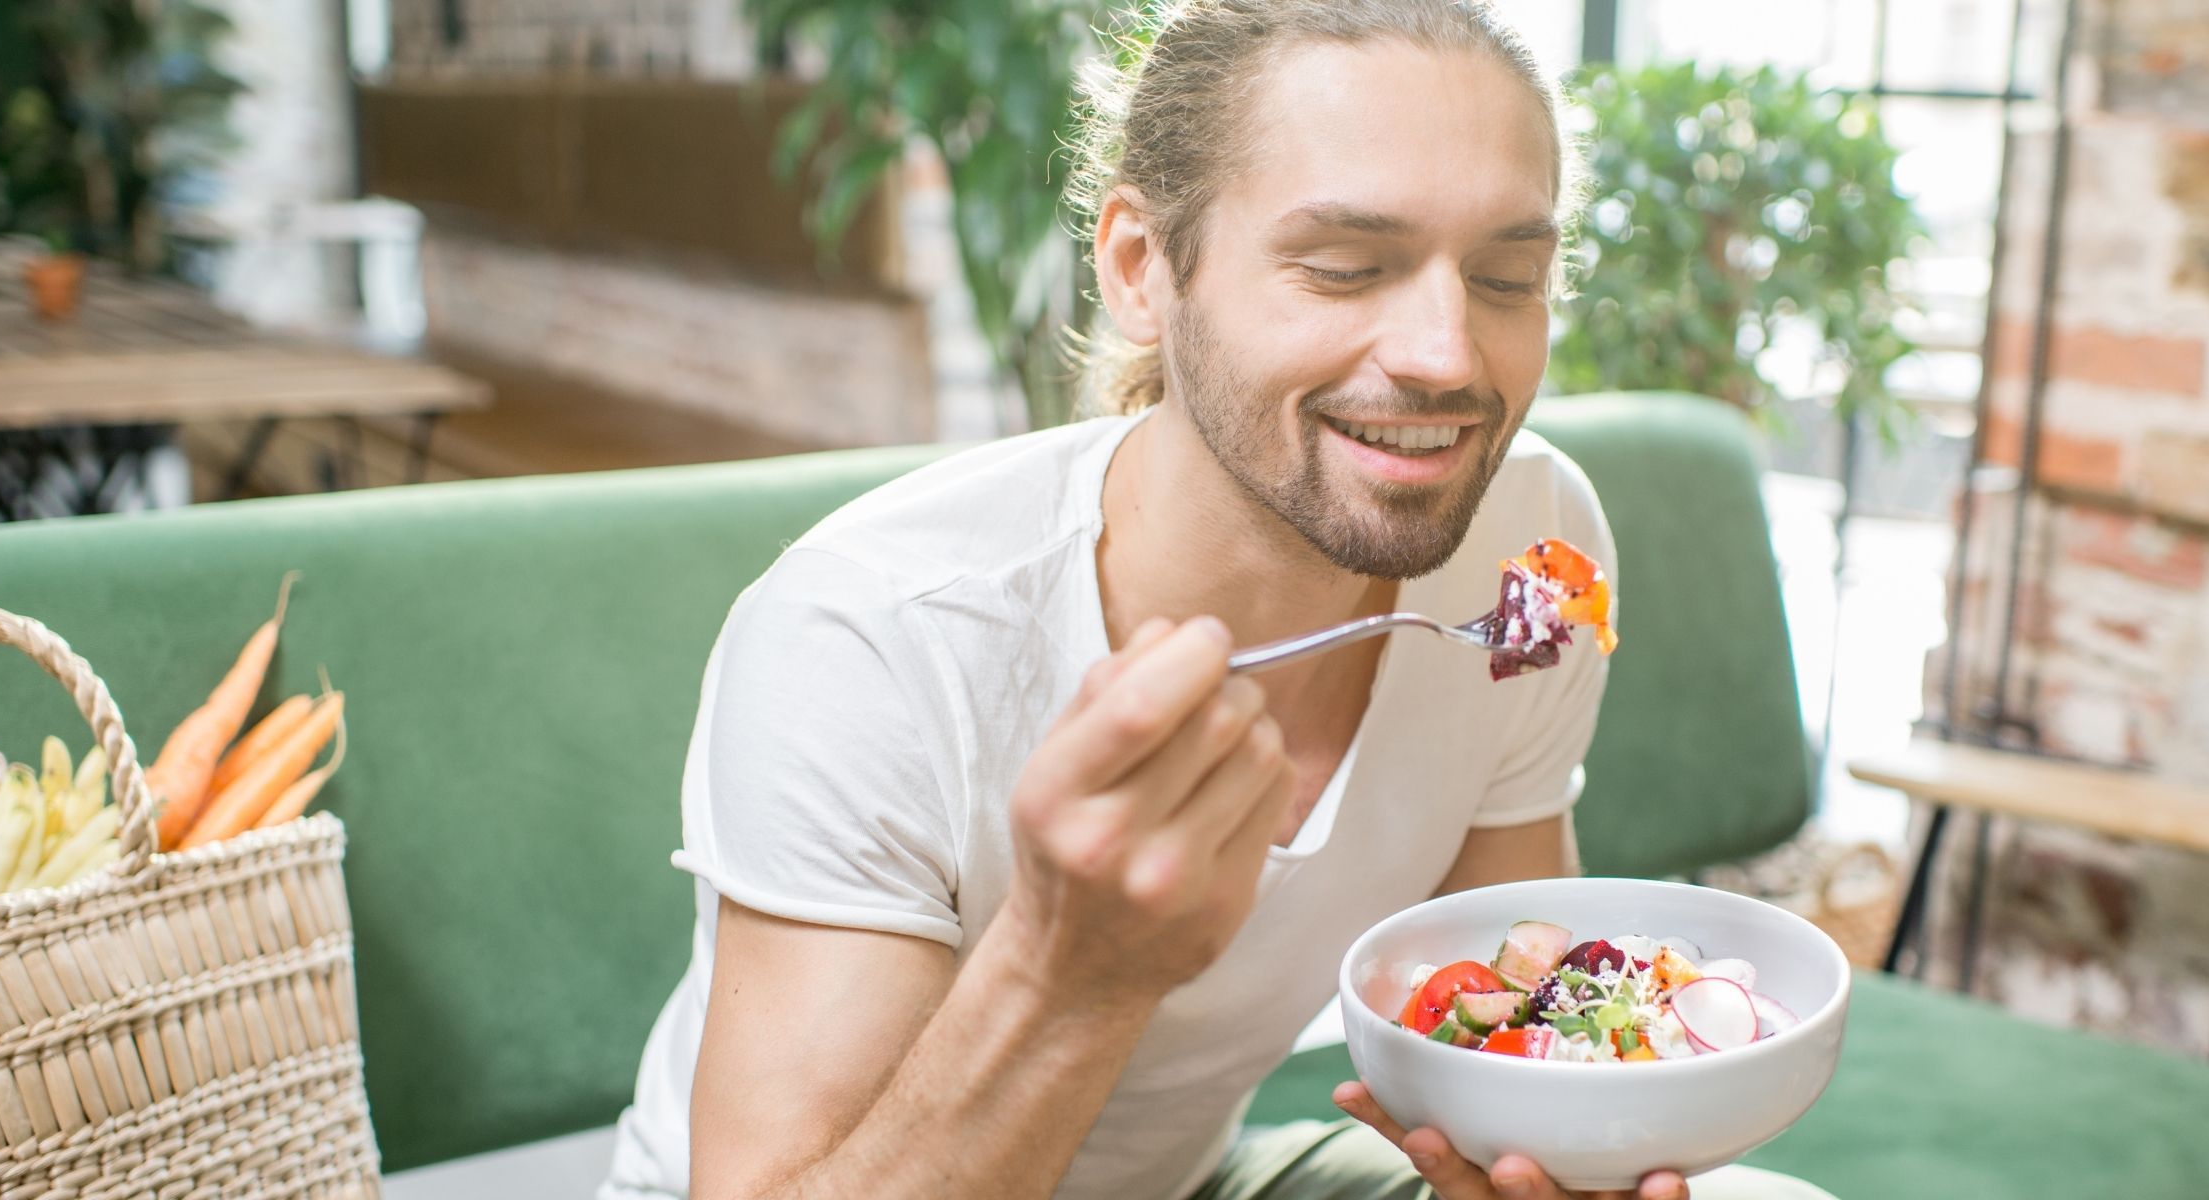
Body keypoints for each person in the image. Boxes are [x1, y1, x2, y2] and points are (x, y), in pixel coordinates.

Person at [602, 2, 1688, 1197]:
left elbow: (1505, 989)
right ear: (1139, 267)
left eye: (1505, 276)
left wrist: (1538, 1154)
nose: (1446, 354)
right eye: (1343, 268)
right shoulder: (873, 636)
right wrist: (1070, 969)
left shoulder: (1532, 553)